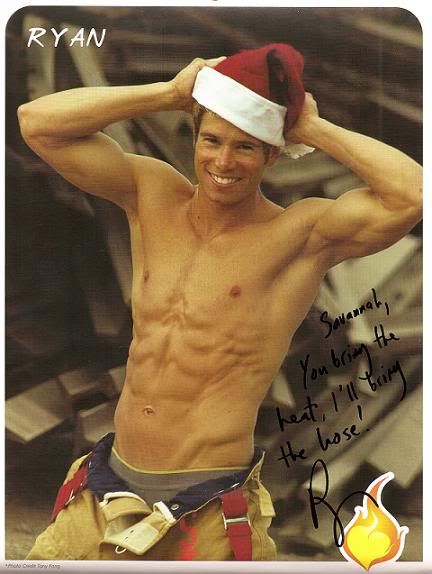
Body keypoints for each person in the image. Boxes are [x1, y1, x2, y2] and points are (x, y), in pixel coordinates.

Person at [18, 43, 422, 561]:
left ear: (273, 153)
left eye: (245, 147)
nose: (223, 162)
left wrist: (311, 127)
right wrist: (167, 93)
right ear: (194, 136)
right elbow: (38, 123)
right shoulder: (151, 193)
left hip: (208, 507)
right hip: (104, 488)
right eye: (211, 140)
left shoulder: (301, 235)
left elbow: (411, 194)